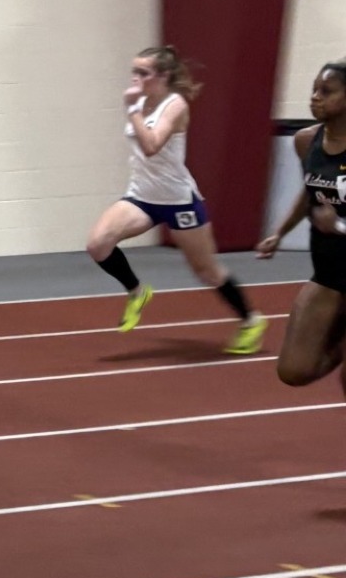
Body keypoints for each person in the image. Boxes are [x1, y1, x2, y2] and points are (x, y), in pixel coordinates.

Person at [84, 47, 266, 354]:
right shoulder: (139, 100)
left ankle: (250, 320)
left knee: (206, 272)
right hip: (142, 196)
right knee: (98, 244)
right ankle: (137, 291)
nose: (136, 78)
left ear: (164, 76)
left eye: (143, 73)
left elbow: (152, 145)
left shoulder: (175, 104)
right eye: (134, 71)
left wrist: (132, 111)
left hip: (178, 201)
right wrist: (135, 107)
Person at [257, 59, 346, 386]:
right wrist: (279, 232)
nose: (315, 97)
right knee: (294, 371)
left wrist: (338, 227)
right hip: (328, 274)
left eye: (326, 91)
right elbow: (310, 192)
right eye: (313, 90)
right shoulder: (306, 141)